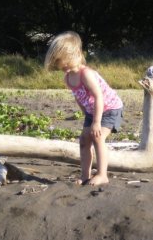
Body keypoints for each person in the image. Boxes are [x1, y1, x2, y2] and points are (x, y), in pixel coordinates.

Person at [44, 31, 123, 186]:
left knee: (97, 136)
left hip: (109, 109)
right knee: (84, 140)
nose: (62, 65)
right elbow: (78, 97)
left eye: (65, 61)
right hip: (92, 111)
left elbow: (99, 96)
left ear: (77, 54)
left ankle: (102, 174)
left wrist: (96, 122)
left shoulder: (86, 74)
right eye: (60, 62)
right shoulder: (68, 78)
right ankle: (85, 175)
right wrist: (87, 115)